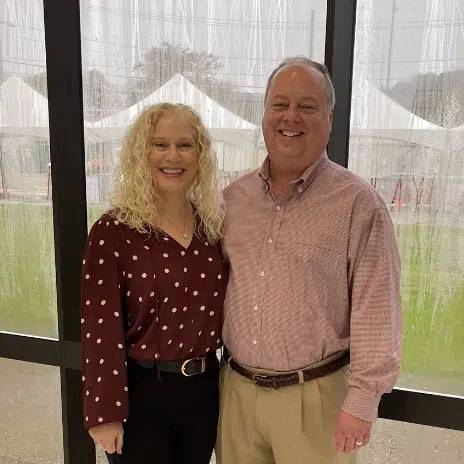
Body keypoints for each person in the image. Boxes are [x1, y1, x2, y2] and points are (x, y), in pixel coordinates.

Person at [216, 57, 402, 464]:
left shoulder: (358, 205)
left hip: (315, 400)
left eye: (307, 106)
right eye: (279, 104)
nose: (290, 117)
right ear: (265, 114)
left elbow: (377, 308)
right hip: (236, 394)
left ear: (329, 117)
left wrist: (362, 401)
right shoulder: (232, 200)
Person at [80, 102, 228, 464]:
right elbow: (100, 327)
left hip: (204, 392)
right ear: (140, 153)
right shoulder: (114, 231)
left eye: (185, 144)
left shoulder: (213, 227)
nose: (172, 156)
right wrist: (105, 413)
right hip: (142, 395)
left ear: (201, 154)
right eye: (159, 144)